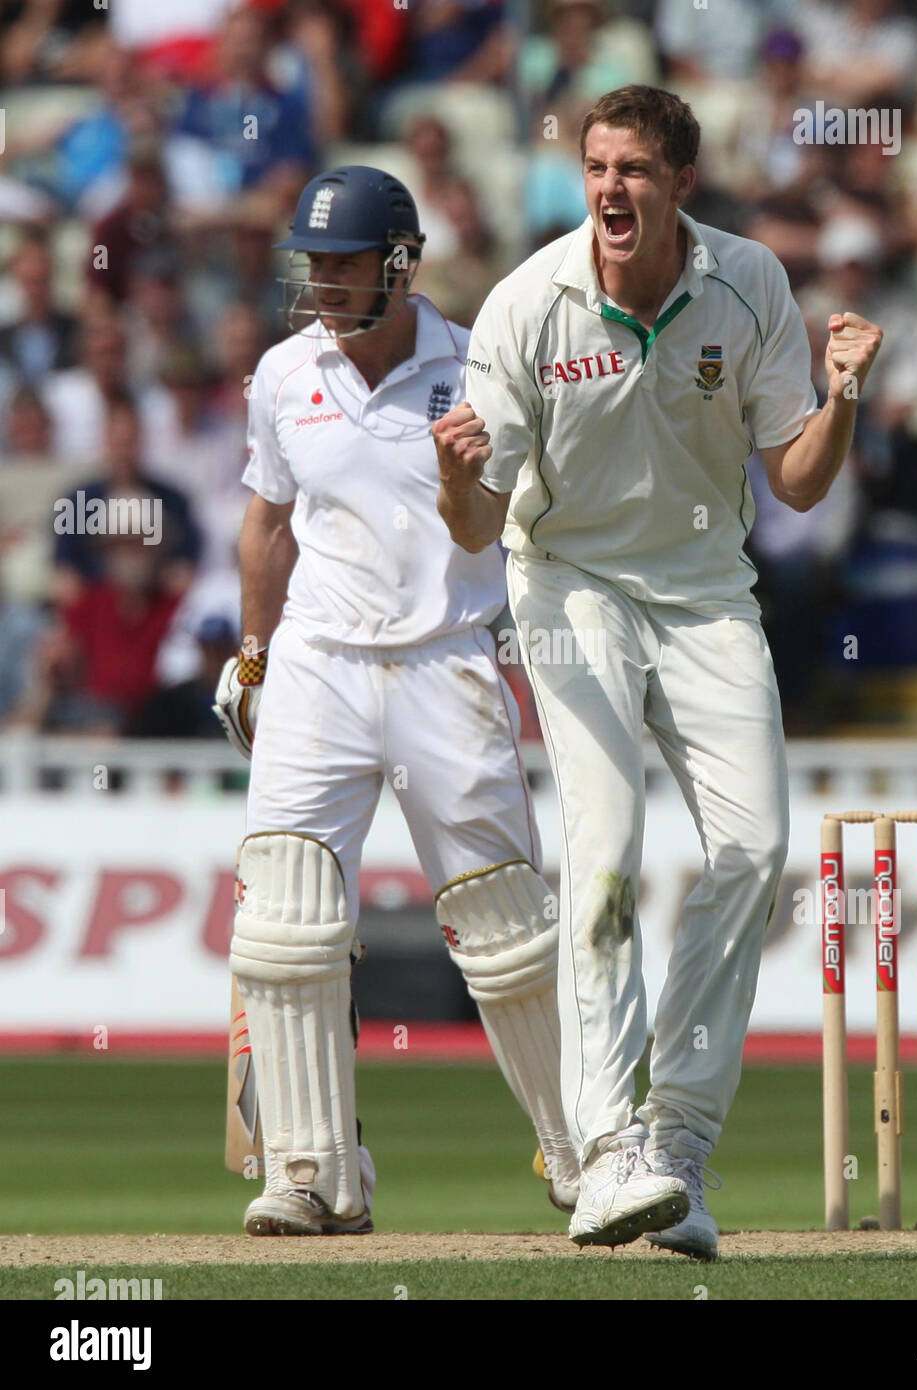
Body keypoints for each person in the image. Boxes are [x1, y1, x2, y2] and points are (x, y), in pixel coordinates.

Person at [433, 85, 882, 1257]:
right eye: (595, 167)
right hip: (567, 581)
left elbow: (793, 481)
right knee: (607, 848)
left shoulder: (748, 284)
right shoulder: (528, 304)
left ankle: (674, 1142)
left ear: (680, 181)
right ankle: (598, 1152)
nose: (609, 189)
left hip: (699, 589)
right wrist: (451, 477)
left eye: (633, 169)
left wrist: (840, 399)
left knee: (752, 846)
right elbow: (479, 528)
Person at [213, 165, 580, 1236]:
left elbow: (501, 525)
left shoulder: (473, 366)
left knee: (504, 926)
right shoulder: (284, 372)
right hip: (317, 660)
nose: (321, 283)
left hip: (444, 656)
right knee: (280, 915)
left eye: (342, 264)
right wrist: (252, 656)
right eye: (310, 264)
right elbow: (267, 525)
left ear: (399, 263)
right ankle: (314, 1171)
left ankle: (582, 1153)